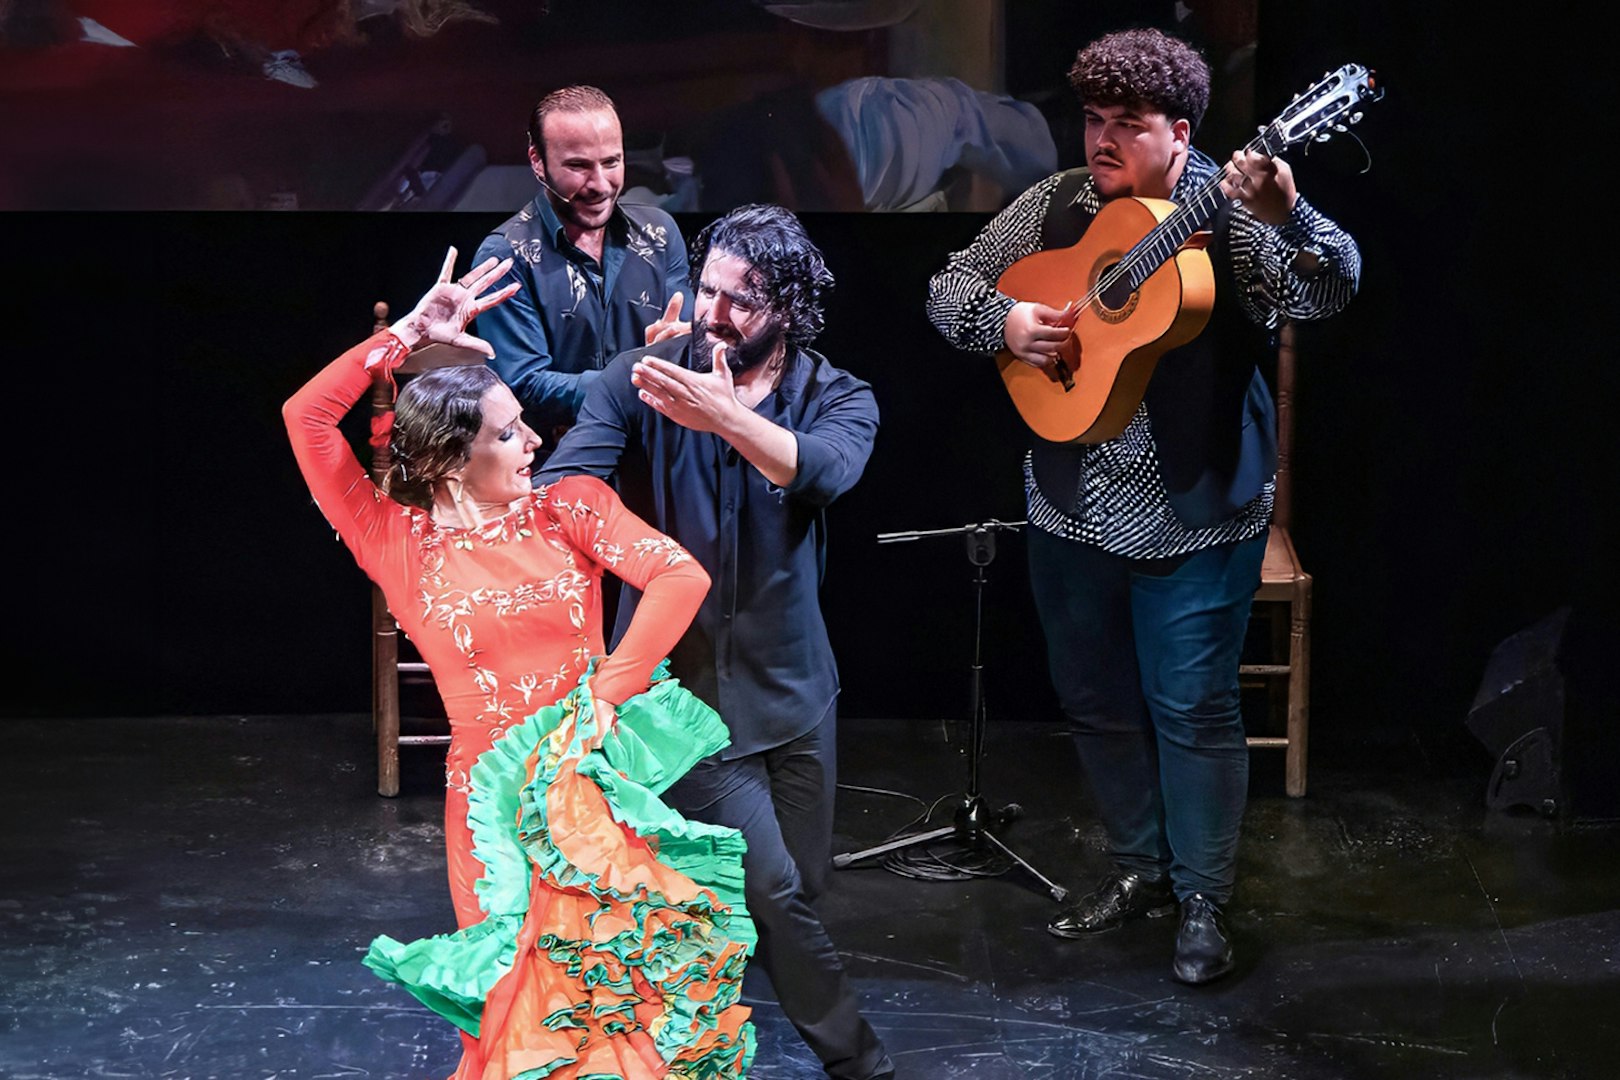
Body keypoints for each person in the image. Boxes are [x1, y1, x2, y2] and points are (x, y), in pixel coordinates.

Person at [926, 27, 1360, 985]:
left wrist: (1290, 216)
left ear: (1181, 133)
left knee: (1193, 708)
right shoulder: (1058, 206)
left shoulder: (1232, 214)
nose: (1103, 140)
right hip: (1071, 503)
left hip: (1199, 511)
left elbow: (1331, 288)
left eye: (1128, 123)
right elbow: (947, 287)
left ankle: (1203, 898)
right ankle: (1139, 869)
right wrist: (1006, 320)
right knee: (1096, 700)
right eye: (1093, 120)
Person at [284, 248, 755, 1078]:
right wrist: (405, 337)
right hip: (490, 818)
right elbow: (306, 418)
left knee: (618, 1007)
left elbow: (679, 577)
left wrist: (608, 693)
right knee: (519, 1019)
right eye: (507, 433)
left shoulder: (569, 508)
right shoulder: (394, 541)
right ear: (449, 461)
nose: (535, 439)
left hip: (587, 796)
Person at [538, 204, 896, 1080]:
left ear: (791, 309)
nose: (715, 314)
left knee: (798, 888)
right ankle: (859, 1062)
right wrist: (652, 562)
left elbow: (823, 471)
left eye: (742, 299)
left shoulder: (839, 395)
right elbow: (564, 486)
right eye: (707, 290)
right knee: (771, 890)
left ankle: (681, 1018)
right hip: (682, 698)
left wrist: (726, 417)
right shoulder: (645, 378)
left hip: (794, 690)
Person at [473, 85, 691, 441]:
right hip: (559, 455)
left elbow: (689, 345)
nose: (600, 185)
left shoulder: (660, 233)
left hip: (659, 447)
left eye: (612, 162)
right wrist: (637, 380)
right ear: (537, 161)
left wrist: (689, 346)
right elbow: (523, 384)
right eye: (578, 166)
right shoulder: (506, 255)